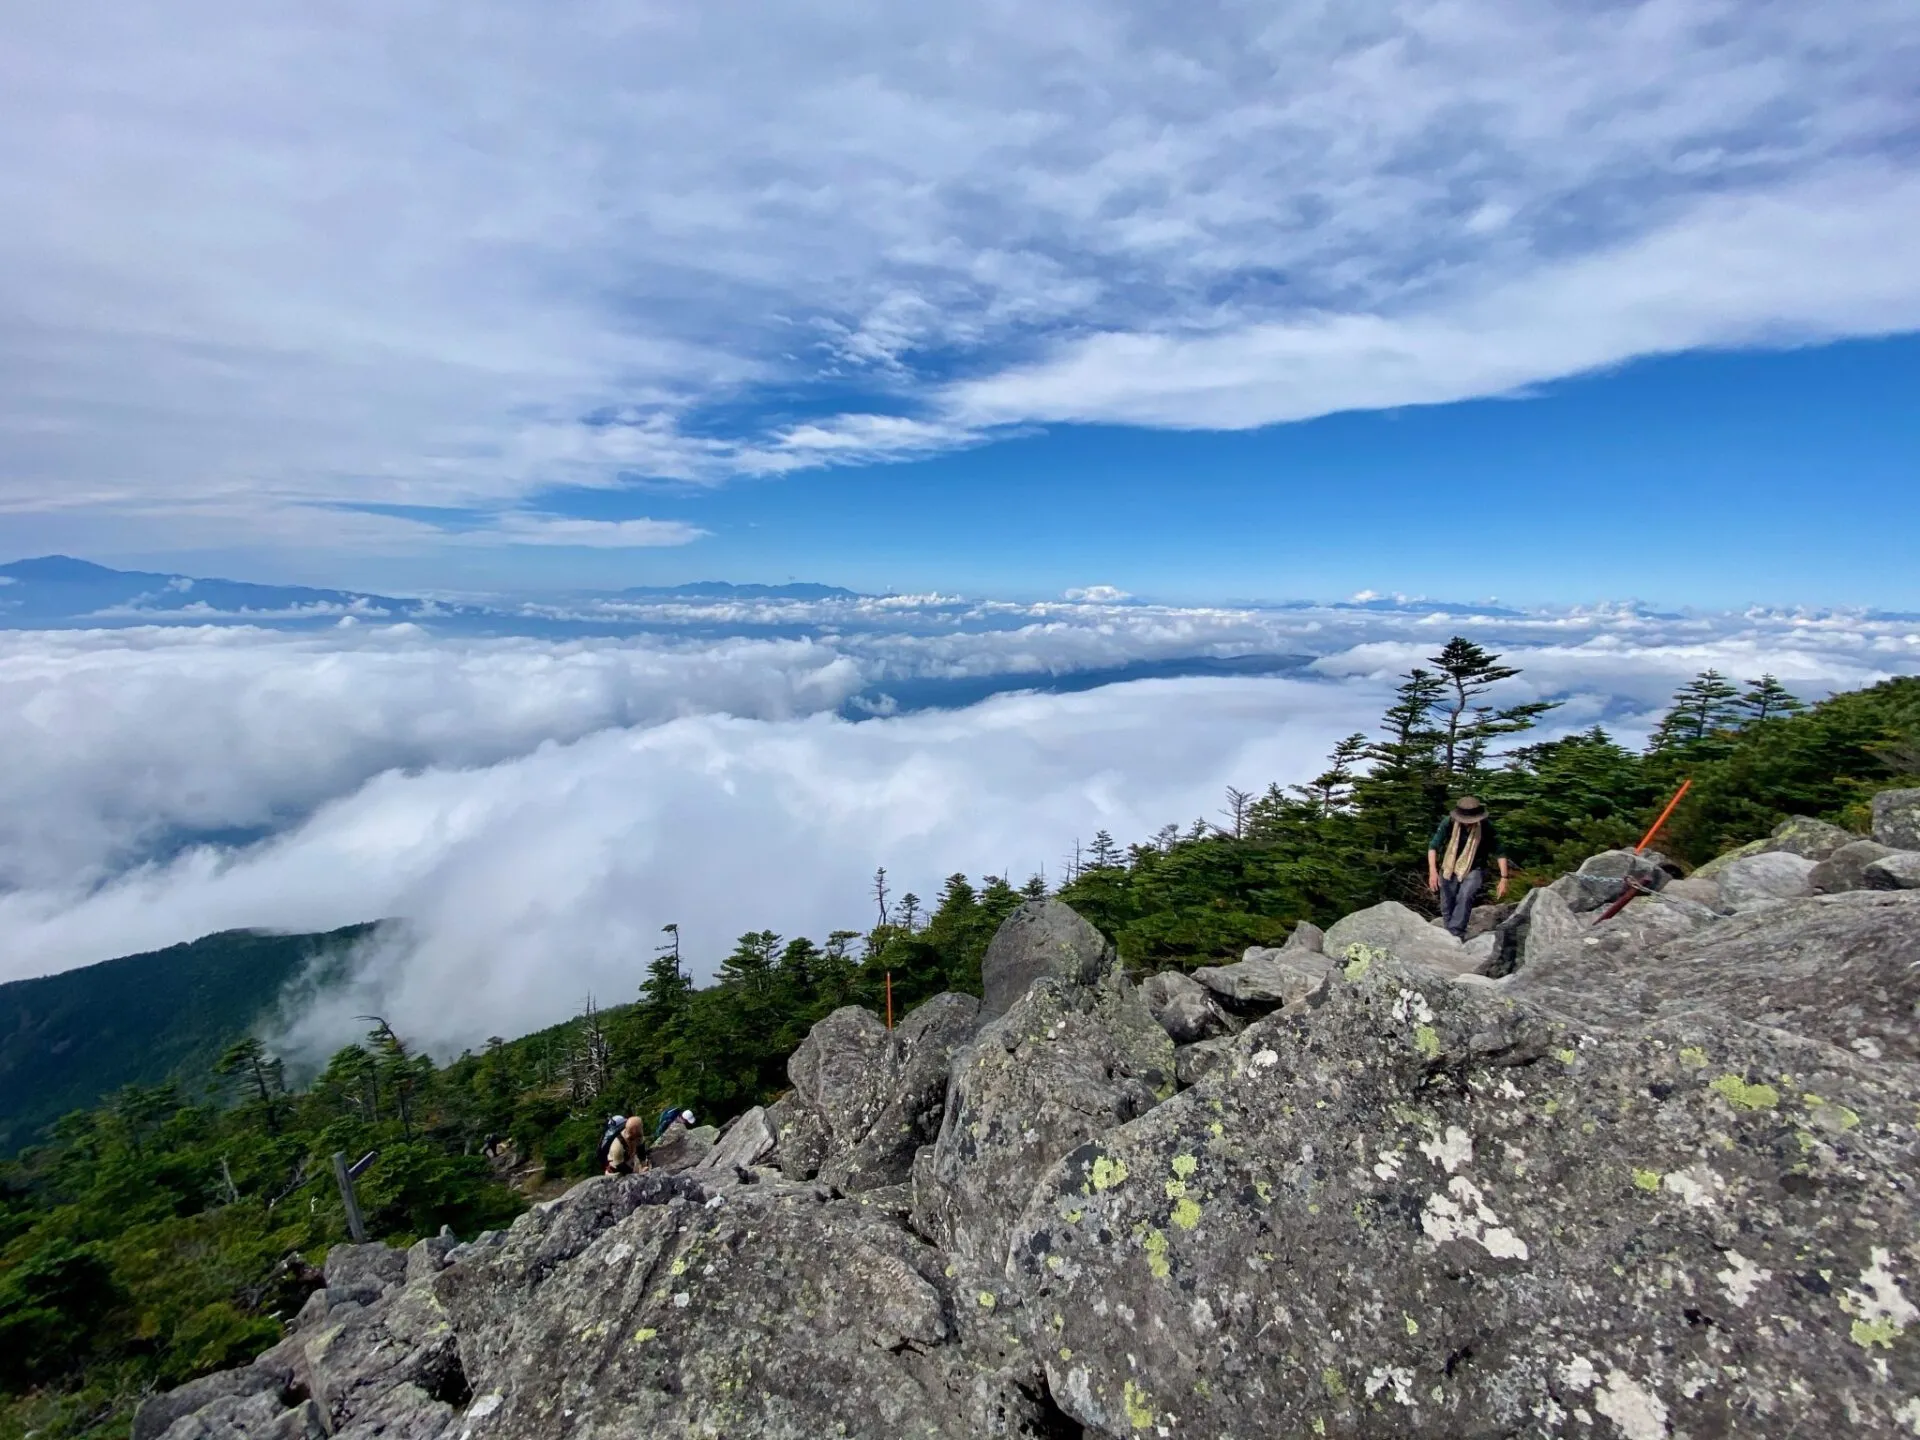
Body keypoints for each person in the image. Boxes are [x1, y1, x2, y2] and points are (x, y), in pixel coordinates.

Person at [1427, 795, 1509, 940]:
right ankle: (1450, 932)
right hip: (1450, 866)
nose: (1468, 824)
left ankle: (1455, 934)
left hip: (1475, 867)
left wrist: (1504, 878)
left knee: (1465, 895)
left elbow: (1499, 851)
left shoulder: (1485, 826)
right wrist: (1432, 872)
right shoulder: (1450, 823)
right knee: (1447, 902)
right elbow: (1433, 846)